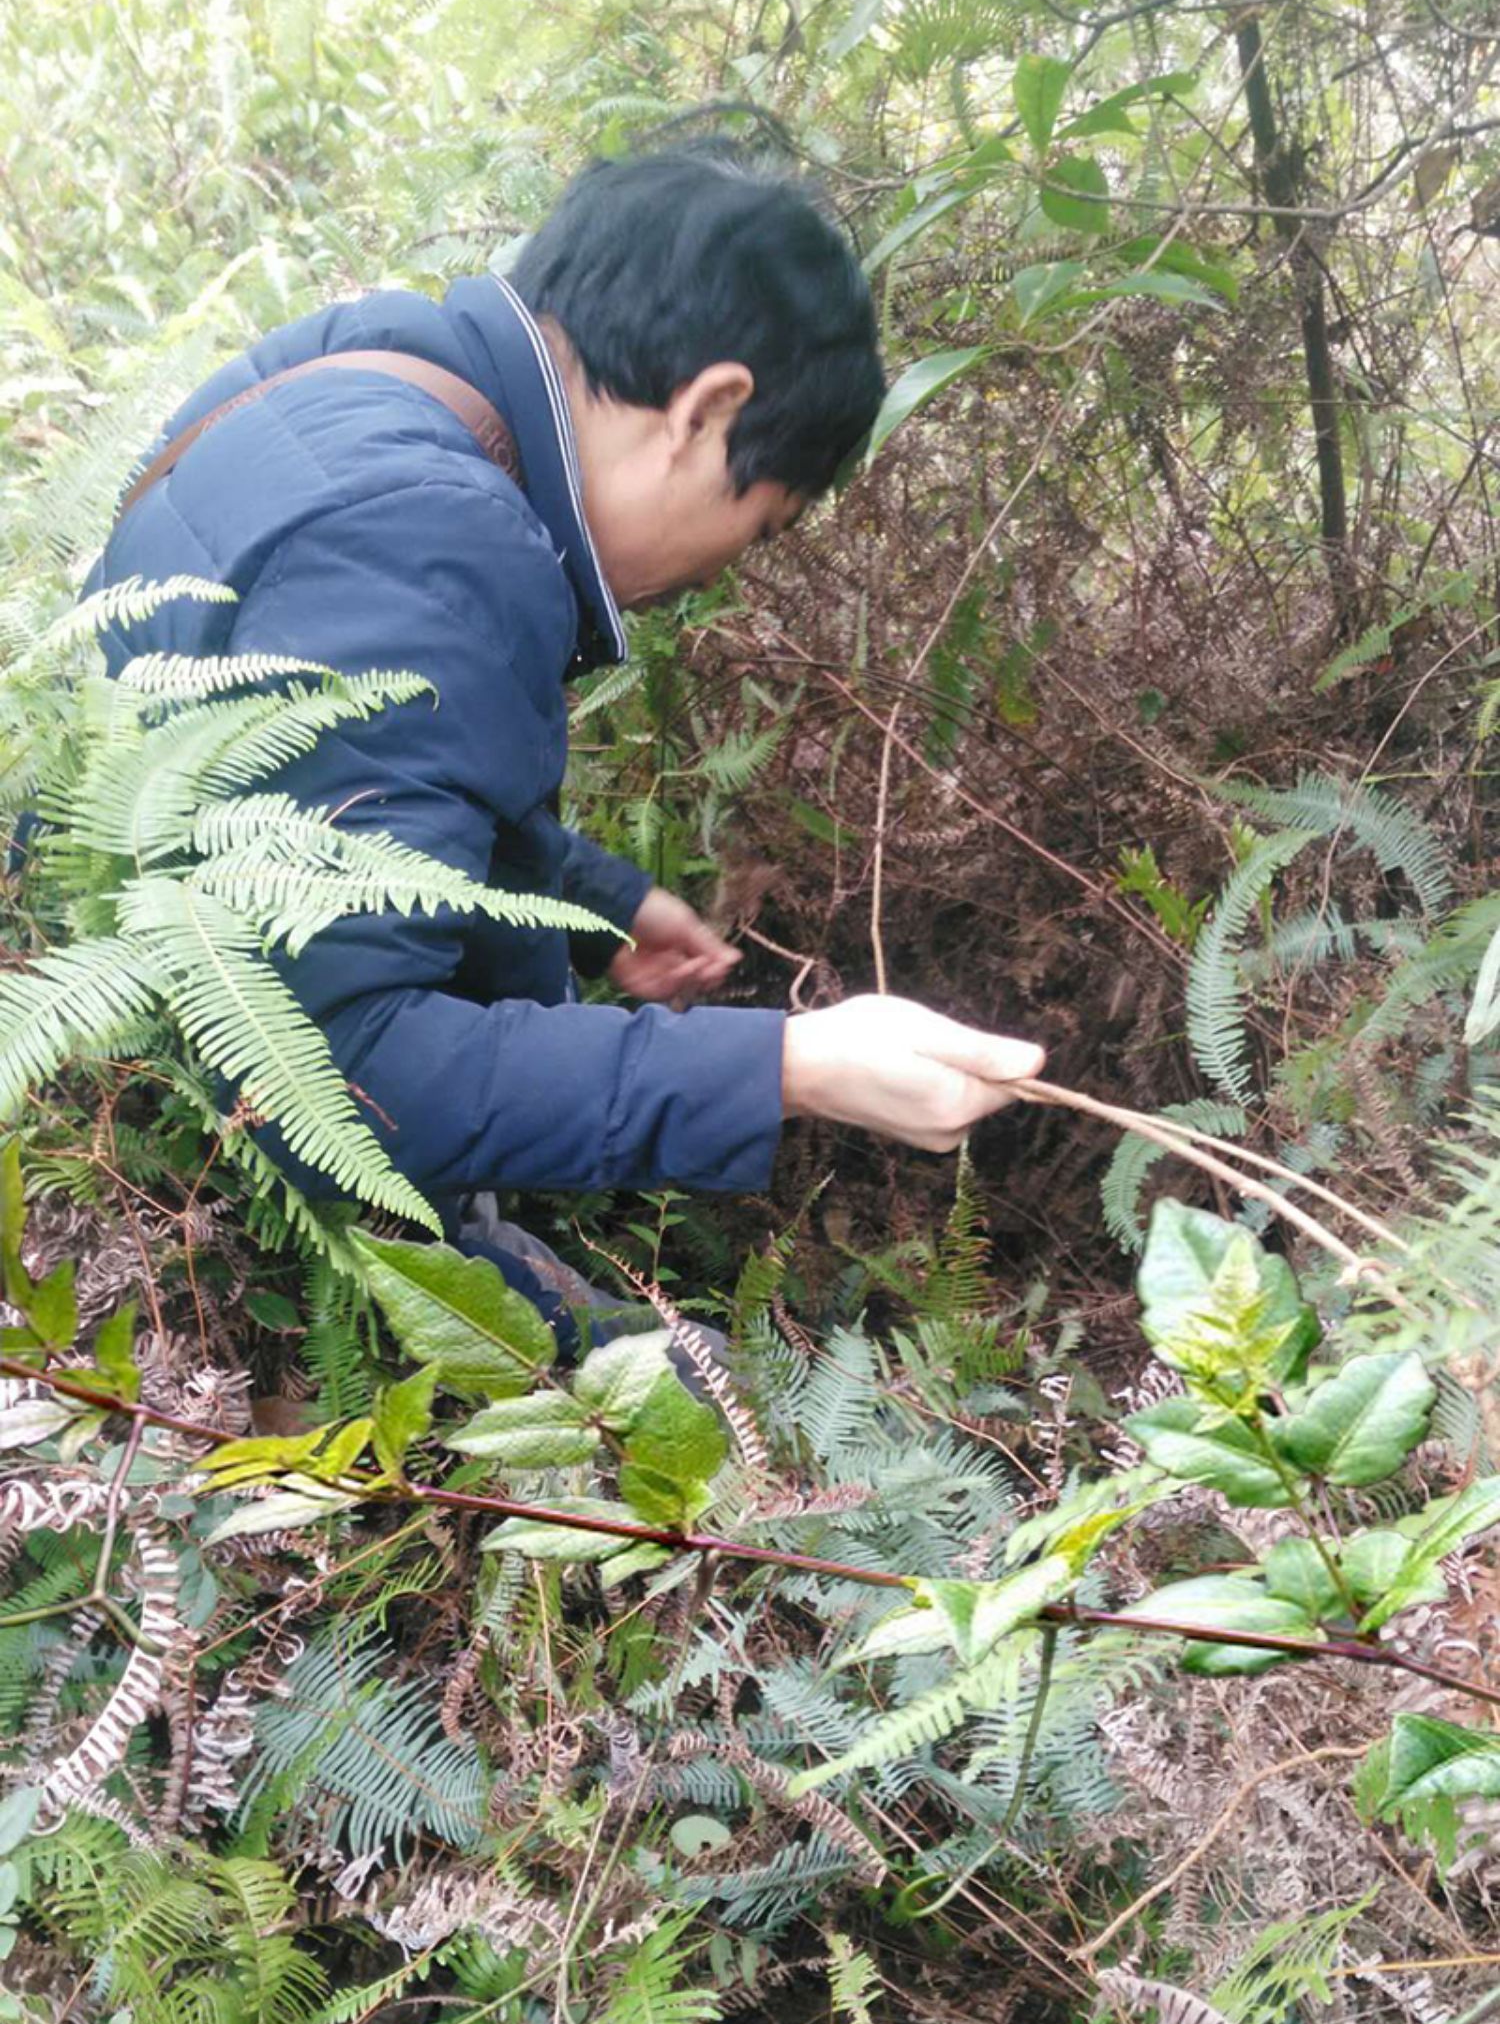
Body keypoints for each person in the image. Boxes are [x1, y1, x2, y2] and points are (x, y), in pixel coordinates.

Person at [89, 140, 1044, 1349]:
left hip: (125, 1029)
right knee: (719, 1440)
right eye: (758, 529)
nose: (717, 580)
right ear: (709, 411)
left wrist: (600, 902)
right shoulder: (438, 544)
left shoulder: (358, 378)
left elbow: (340, 804)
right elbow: (334, 1079)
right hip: (209, 1217)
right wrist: (786, 1067)